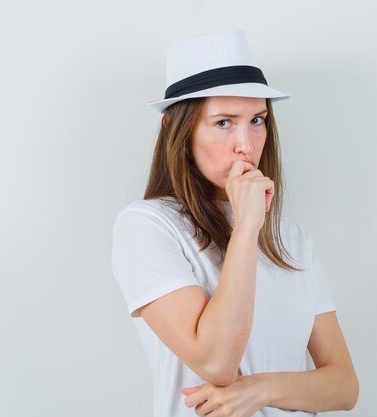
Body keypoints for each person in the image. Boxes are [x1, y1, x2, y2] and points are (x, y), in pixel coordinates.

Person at [111, 30, 359, 417]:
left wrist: (259, 390)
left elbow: (343, 386)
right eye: (224, 122)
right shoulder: (148, 226)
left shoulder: (290, 239)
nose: (246, 143)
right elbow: (215, 362)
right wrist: (245, 230)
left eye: (257, 119)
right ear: (178, 131)